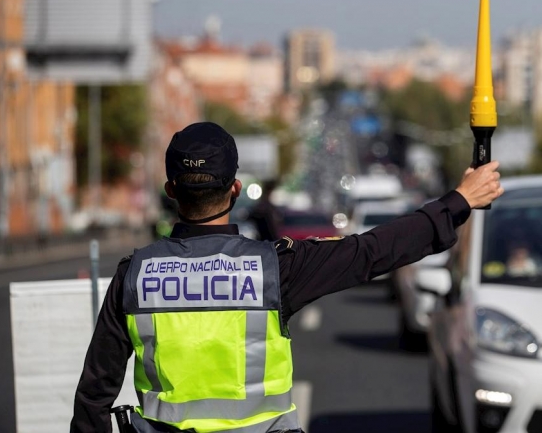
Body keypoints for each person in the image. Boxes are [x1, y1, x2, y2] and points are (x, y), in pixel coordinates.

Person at [70, 121, 503, 433]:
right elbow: (373, 251)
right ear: (235, 190)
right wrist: (459, 201)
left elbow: (94, 395)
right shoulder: (274, 268)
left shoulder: (134, 276)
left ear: (171, 192)